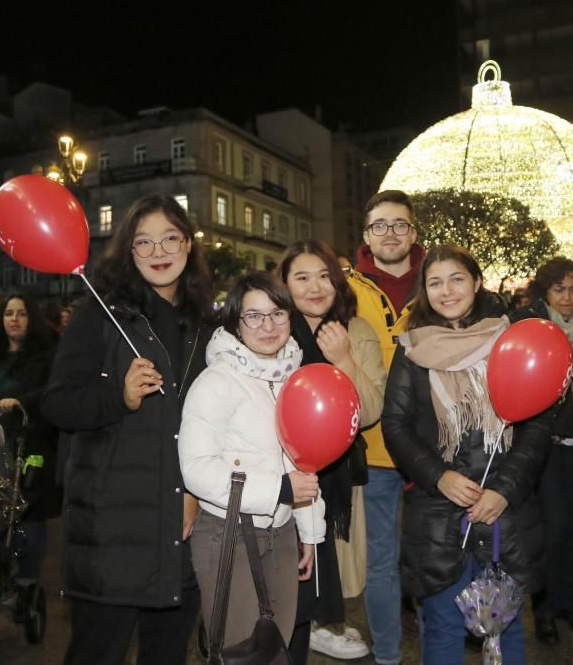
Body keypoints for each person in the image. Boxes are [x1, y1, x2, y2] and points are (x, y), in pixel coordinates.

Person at [41, 196, 214, 665]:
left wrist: (200, 492)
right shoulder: (100, 315)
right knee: (98, 652)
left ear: (188, 243)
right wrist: (119, 397)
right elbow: (57, 403)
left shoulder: (205, 323)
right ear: (129, 252)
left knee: (166, 654)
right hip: (112, 530)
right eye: (144, 241)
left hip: (181, 528)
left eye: (169, 238)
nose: (159, 250)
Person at [381, 244, 550, 665]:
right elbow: (396, 426)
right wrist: (439, 476)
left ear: (476, 282)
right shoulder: (412, 350)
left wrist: (505, 491)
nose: (447, 291)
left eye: (457, 279)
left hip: (503, 515)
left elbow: (538, 423)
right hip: (440, 516)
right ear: (425, 291)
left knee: (505, 625)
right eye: (435, 283)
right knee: (441, 627)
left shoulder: (509, 340)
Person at [179, 271, 326, 651]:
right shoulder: (216, 382)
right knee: (239, 648)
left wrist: (309, 532)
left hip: (282, 533)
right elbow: (196, 468)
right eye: (254, 316)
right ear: (235, 322)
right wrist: (277, 489)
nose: (268, 326)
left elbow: (305, 462)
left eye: (277, 313)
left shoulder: (296, 378)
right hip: (227, 532)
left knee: (277, 643)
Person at [278, 239, 386, 662]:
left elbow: (372, 408)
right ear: (285, 284)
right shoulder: (273, 328)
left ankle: (321, 623)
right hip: (281, 472)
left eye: (324, 276)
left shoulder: (355, 330)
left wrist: (343, 359)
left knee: (330, 563)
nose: (315, 287)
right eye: (301, 277)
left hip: (336, 472)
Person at [347, 189, 425, 665]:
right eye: (380, 225)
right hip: (372, 447)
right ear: (366, 234)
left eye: (400, 224)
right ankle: (389, 656)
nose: (390, 233)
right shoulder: (345, 289)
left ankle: (443, 643)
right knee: (381, 563)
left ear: (413, 232)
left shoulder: (440, 279)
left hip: (433, 445)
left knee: (437, 554)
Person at [511, 257, 573, 645]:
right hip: (544, 445)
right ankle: (544, 609)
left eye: (572, 289)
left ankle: (568, 601)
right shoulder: (532, 329)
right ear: (545, 293)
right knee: (551, 529)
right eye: (558, 290)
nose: (567, 297)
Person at [0, 294, 59, 613]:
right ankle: (4, 576)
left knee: (28, 517)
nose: (14, 319)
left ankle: (28, 581)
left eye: (21, 313)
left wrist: (19, 403)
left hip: (30, 449)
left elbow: (51, 392)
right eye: (8, 313)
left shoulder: (47, 356)